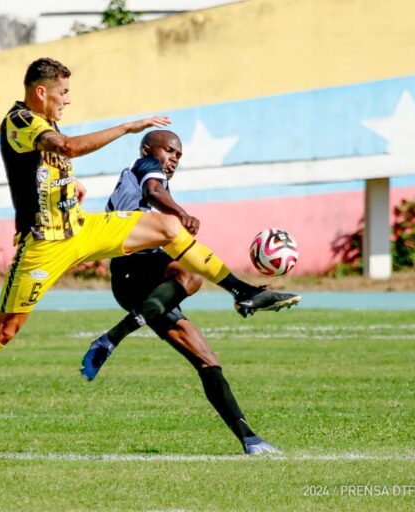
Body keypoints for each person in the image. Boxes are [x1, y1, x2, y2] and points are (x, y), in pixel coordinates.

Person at [0, 57, 300, 460]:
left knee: (168, 227)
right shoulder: (20, 121)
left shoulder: (46, 122)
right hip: (45, 244)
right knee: (4, 331)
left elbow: (47, 168)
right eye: (63, 92)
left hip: (81, 227)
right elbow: (67, 148)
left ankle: (242, 291)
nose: (67, 100)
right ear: (41, 91)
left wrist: (71, 185)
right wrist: (126, 127)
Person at [79, 129, 284, 455]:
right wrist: (180, 213)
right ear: (148, 149)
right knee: (190, 275)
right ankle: (115, 336)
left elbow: (157, 197)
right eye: (169, 151)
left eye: (179, 155)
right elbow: (155, 191)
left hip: (146, 285)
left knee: (206, 359)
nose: (174, 159)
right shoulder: (145, 167)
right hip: (131, 271)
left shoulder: (149, 182)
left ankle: (250, 440)